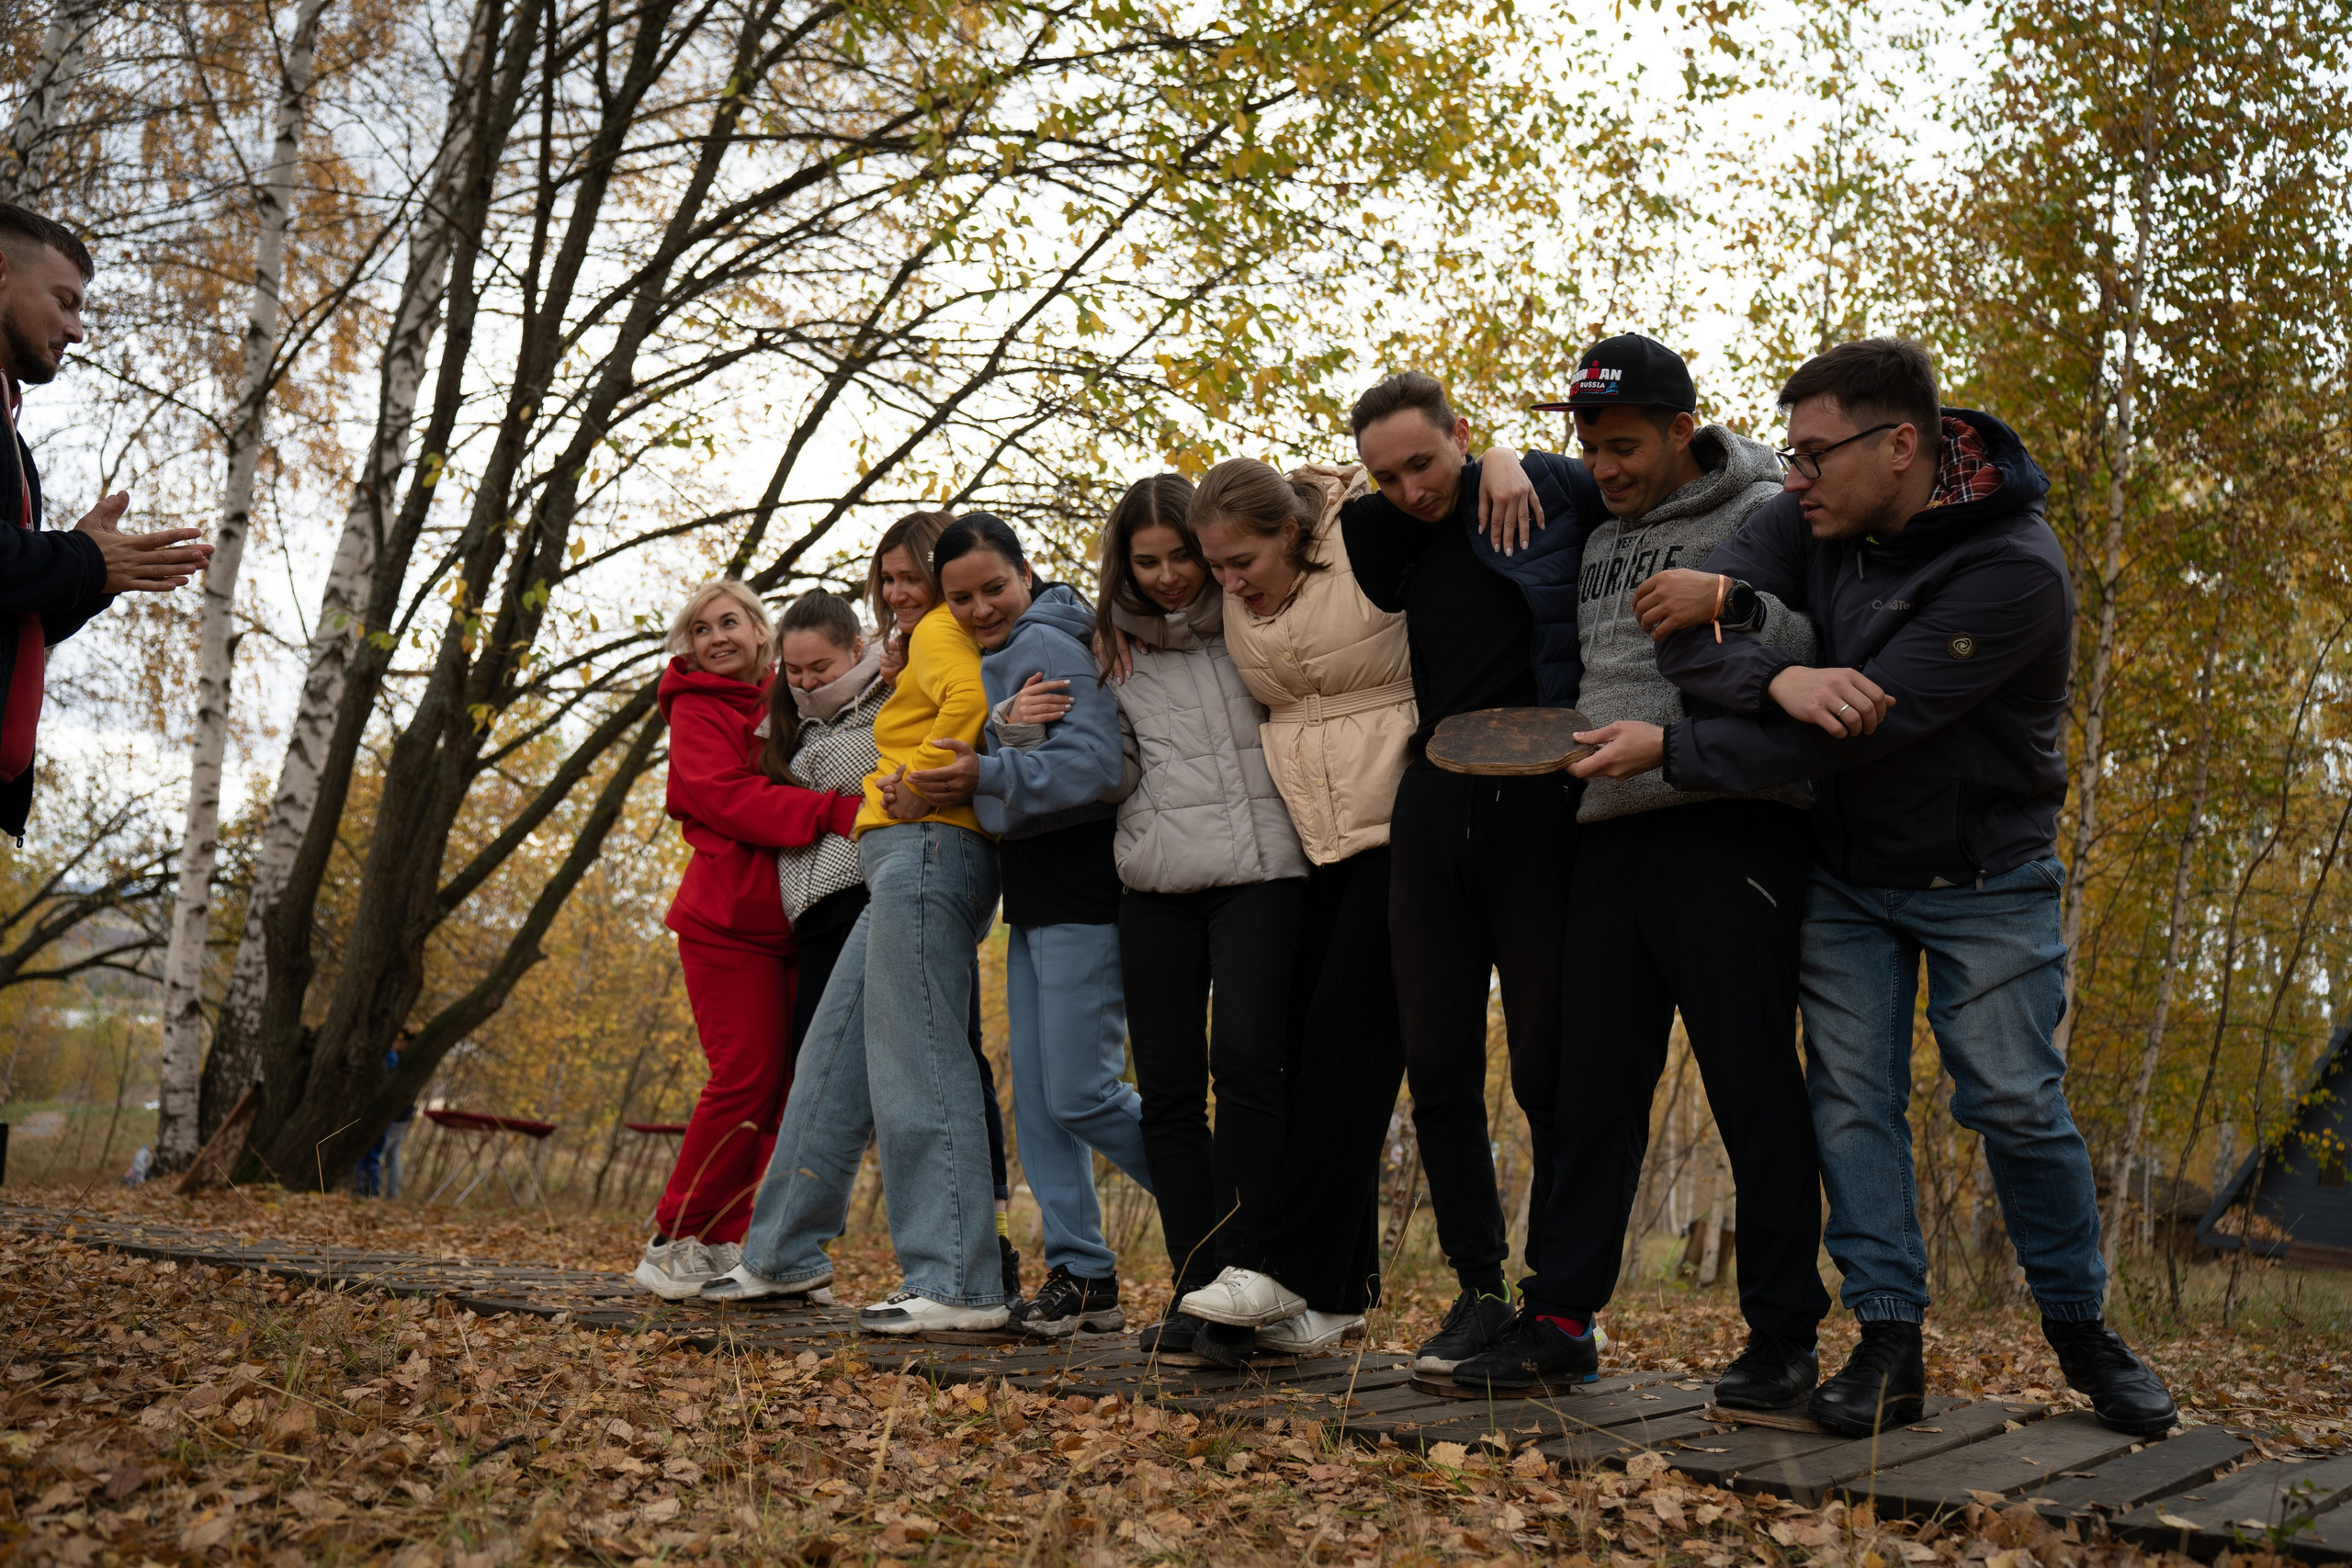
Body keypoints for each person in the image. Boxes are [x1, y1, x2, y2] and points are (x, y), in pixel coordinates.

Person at [1586, 335, 2177, 1437]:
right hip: (1846, 875)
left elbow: (1860, 729)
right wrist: (1780, 664)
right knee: (1852, 1102)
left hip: (1983, 879)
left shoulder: (2013, 569)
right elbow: (1679, 634)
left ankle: (2081, 1328)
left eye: (1814, 454)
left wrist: (1676, 745)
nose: (1792, 475)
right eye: (1791, 454)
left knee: (2013, 1102)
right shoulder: (1808, 517)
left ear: (1901, 445)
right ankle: (1888, 1342)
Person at [1444, 334, 1833, 1399]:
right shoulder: (1596, 522)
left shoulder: (1766, 510)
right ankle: (1558, 1319)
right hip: (1608, 830)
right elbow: (1484, 484)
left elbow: (1815, 647)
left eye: (1623, 447)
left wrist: (1732, 603)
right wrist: (1495, 457)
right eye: (1589, 447)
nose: (1604, 467)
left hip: (1730, 825)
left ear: (1680, 428)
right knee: (1591, 1091)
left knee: (1750, 1085)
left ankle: (1783, 1337)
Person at [1004, 473, 1312, 1355]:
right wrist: (1015, 730)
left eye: (1183, 555)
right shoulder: (1104, 648)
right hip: (1155, 884)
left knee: (1246, 1065)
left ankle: (1257, 1277)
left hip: (1263, 874)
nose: (1170, 575)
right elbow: (1104, 769)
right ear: (1124, 565)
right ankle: (1196, 1289)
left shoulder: (1260, 616)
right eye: (1148, 562)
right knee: (1169, 1096)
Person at [1340, 372, 1605, 1372]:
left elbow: (1601, 487)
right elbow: (1326, 517)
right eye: (1386, 474)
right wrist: (1455, 463)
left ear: (1459, 432)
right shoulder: (1387, 533)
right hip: (1433, 803)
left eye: (1424, 460)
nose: (1410, 488)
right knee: (1439, 1062)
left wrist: (1506, 457)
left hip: (1540, 805)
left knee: (1546, 1065)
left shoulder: (1544, 493)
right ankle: (1479, 1291)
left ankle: (1561, 1305)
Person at [704, 516, 1008, 1332]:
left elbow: (970, 702)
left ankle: (956, 1278)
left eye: (913, 575)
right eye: (889, 579)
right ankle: (781, 1254)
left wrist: (924, 779)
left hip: (931, 845)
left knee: (918, 1059)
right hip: (895, 858)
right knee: (830, 1059)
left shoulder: (941, 629)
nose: (900, 591)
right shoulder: (918, 641)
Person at [1164, 457, 1413, 1367]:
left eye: (1242, 562)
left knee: (1349, 1051)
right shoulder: (1237, 596)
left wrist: (1499, 460)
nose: (1228, 582)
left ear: (1292, 534)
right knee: (1309, 1056)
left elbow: (1453, 506)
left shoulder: (1365, 539)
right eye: (1215, 564)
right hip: (1318, 840)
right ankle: (1339, 1294)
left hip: (1404, 821)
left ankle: (1280, 1267)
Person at [899, 514, 1150, 1338]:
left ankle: (1230, 1203)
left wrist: (987, 764)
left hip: (1084, 885)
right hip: (1035, 892)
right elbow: (1011, 787)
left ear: (1026, 573)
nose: (979, 608)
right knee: (1041, 1105)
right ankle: (1083, 1273)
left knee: (1081, 1092)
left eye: (993, 588)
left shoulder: (1047, 639)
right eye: (961, 597)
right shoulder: (1003, 651)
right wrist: (984, 755)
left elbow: (1097, 766)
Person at [636, 581, 864, 1299]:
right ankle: (674, 1235)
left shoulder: (790, 691)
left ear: (761, 630)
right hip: (726, 923)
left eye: (728, 621)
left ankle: (726, 1238)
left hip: (797, 917)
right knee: (744, 1078)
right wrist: (830, 811)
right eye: (700, 629)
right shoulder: (697, 706)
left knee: (788, 1088)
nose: (716, 638)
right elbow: (725, 796)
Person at [0, 203, 211, 840]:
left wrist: (98, 578)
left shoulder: (13, 439)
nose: (77, 330)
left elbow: (14, 621)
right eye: (64, 302)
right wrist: (84, 561)